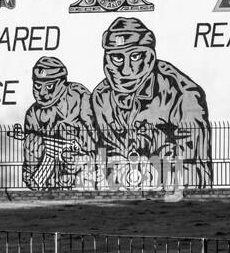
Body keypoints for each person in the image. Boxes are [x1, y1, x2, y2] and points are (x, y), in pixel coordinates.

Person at [89, 17, 213, 188]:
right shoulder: (101, 96)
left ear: (150, 57)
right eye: (117, 57)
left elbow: (193, 171)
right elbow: (108, 159)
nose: (125, 70)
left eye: (135, 56)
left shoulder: (183, 95)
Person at [13, 56, 94, 189]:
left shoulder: (78, 96)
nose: (42, 93)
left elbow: (97, 135)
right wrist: (32, 160)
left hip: (82, 173)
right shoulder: (33, 113)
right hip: (51, 180)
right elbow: (30, 176)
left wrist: (84, 157)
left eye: (49, 86)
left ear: (62, 83)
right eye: (37, 86)